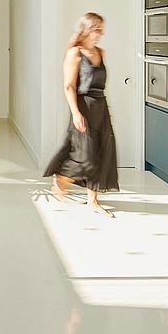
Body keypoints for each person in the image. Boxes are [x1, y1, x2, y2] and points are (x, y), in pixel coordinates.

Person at [43, 12, 120, 216]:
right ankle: (61, 178)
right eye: (97, 29)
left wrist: (103, 109)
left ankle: (92, 201)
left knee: (102, 153)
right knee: (85, 156)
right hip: (82, 108)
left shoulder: (100, 52)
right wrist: (76, 113)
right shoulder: (74, 54)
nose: (100, 34)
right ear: (86, 30)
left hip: (100, 108)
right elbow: (68, 86)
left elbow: (99, 84)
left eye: (101, 30)